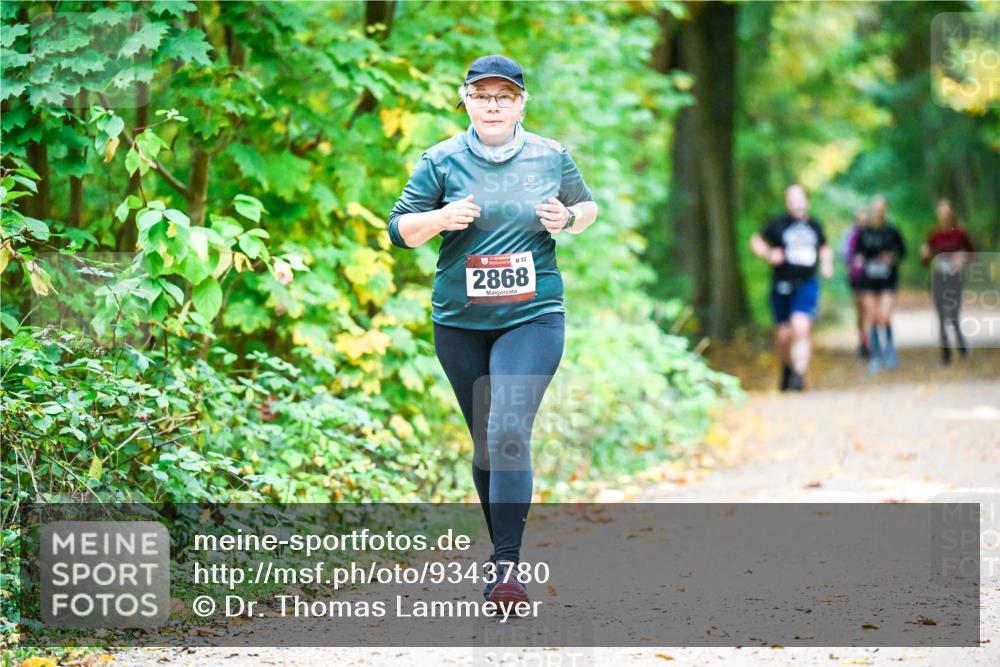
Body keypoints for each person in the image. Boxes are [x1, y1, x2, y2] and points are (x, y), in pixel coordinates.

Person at [386, 55, 599, 607]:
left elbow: (587, 206)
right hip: (460, 322)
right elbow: (399, 229)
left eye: (504, 96)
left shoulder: (551, 156)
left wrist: (568, 220)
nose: (493, 106)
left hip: (533, 316)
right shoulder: (440, 160)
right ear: (466, 102)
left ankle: (507, 568)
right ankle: (501, 552)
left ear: (521, 103)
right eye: (482, 96)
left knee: (506, 428)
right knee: (486, 440)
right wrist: (440, 219)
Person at [750, 184, 834, 391]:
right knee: (783, 336)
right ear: (787, 203)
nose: (797, 204)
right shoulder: (778, 224)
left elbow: (824, 246)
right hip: (781, 285)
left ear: (806, 202)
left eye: (800, 200)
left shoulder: (814, 225)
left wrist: (827, 263)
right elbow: (756, 240)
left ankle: (799, 374)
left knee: (800, 326)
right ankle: (787, 368)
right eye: (792, 200)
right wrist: (768, 254)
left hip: (806, 283)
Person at [852, 195, 906, 373]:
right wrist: (859, 260)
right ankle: (876, 355)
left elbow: (902, 252)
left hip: (887, 279)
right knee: (873, 317)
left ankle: (889, 349)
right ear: (872, 210)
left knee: (885, 316)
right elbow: (856, 252)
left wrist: (892, 257)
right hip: (868, 280)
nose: (878, 212)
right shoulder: (863, 231)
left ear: (886, 211)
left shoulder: (892, 231)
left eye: (882, 209)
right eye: (876, 209)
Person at [921, 198, 975, 364]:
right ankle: (945, 353)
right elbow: (925, 262)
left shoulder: (960, 233)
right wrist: (925, 255)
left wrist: (963, 258)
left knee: (953, 314)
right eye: (942, 213)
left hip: (955, 279)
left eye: (947, 212)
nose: (945, 216)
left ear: (951, 214)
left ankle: (961, 344)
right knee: (941, 315)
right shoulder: (933, 235)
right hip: (938, 279)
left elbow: (973, 255)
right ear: (938, 214)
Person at [839, 209, 870, 358]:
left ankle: (871, 341)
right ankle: (863, 342)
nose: (862, 223)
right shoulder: (850, 234)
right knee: (860, 310)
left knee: (869, 309)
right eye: (860, 220)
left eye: (865, 220)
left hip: (873, 277)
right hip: (856, 277)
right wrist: (853, 260)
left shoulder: (873, 233)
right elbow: (843, 253)